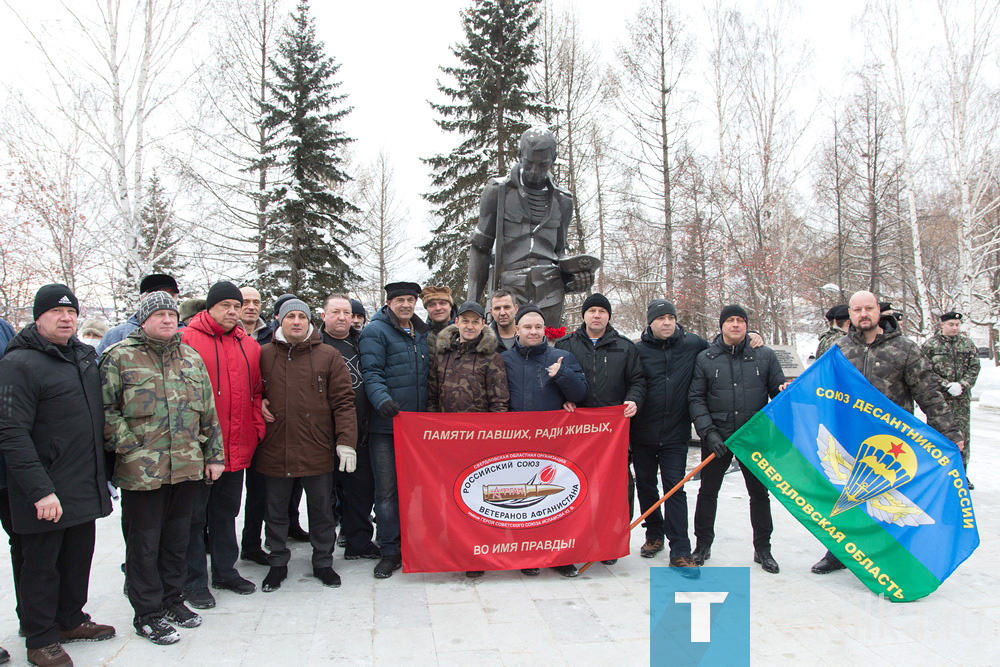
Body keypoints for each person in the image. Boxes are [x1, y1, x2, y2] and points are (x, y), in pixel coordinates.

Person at [0, 285, 115, 667]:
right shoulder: (20, 364)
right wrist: (40, 490)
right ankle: (40, 638)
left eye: (71, 312)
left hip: (81, 480)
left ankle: (69, 620)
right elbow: (11, 433)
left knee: (77, 557)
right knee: (41, 565)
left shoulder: (82, 357)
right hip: (45, 488)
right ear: (38, 316)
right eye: (56, 312)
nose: (66, 318)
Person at [100, 292, 225, 644]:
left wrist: (214, 456)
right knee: (144, 544)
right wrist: (131, 448)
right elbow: (106, 411)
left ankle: (173, 600)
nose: (168, 320)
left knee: (177, 539)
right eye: (160, 315)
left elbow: (208, 411)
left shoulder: (190, 357)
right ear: (143, 320)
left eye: (172, 314)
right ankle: (147, 612)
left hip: (186, 466)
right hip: (142, 472)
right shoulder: (119, 357)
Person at [811, 292, 963, 574]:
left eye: (869, 308)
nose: (863, 314)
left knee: (890, 501)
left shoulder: (905, 348)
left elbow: (928, 394)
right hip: (851, 438)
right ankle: (839, 552)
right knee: (845, 496)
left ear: (879, 311)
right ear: (851, 314)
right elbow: (821, 389)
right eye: (857, 310)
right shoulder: (840, 349)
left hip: (892, 444)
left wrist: (951, 432)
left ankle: (892, 555)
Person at [257, 299, 358, 592]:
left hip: (317, 445)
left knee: (322, 510)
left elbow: (343, 401)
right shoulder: (264, 355)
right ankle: (277, 563)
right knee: (275, 510)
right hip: (276, 445)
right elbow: (250, 392)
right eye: (291, 317)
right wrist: (258, 402)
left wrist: (345, 442)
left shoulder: (327, 355)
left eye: (302, 316)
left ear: (310, 321)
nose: (297, 322)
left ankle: (323, 562)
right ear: (280, 321)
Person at [181, 281, 265, 607]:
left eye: (236, 305)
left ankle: (225, 571)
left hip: (237, 443)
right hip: (201, 448)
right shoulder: (187, 340)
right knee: (194, 517)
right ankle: (193, 581)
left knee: (226, 512)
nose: (233, 311)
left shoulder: (249, 345)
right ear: (210, 307)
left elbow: (257, 392)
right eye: (225, 305)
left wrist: (256, 428)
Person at [689, 305, 786, 574]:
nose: (735, 325)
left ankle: (763, 548)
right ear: (721, 326)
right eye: (730, 320)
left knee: (759, 494)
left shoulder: (763, 356)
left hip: (752, 438)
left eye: (740, 321)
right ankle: (703, 545)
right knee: (708, 492)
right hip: (717, 437)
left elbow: (777, 392)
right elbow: (696, 398)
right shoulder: (706, 358)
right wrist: (708, 432)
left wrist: (783, 390)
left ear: (747, 325)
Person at [467, 127, 593, 326]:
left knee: (548, 352)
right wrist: (472, 307)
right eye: (529, 163)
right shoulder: (497, 191)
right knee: (505, 353)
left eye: (543, 165)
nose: (535, 171)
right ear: (519, 156)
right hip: (508, 292)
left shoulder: (564, 200)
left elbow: (559, 252)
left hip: (550, 292)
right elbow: (480, 247)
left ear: (554, 159)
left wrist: (574, 279)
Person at [554, 293, 644, 566]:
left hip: (612, 433)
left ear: (608, 316)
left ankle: (610, 541)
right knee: (573, 486)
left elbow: (638, 380)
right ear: (583, 315)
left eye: (601, 311)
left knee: (617, 486)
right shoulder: (565, 345)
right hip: (575, 433)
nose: (596, 315)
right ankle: (572, 543)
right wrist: (564, 400)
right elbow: (554, 381)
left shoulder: (625, 347)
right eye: (591, 310)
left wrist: (634, 400)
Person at [502, 305, 588, 577]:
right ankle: (526, 554)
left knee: (555, 500)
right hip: (515, 443)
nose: (533, 331)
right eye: (527, 327)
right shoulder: (503, 360)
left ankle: (561, 557)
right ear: (517, 329)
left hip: (554, 444)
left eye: (538, 327)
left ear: (545, 329)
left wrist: (561, 375)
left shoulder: (562, 357)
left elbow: (581, 393)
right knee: (523, 500)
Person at [429, 301, 509, 578]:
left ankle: (479, 554)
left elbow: (500, 403)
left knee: (477, 501)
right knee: (449, 499)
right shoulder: (442, 354)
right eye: (465, 321)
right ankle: (452, 549)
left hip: (479, 444)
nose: (470, 326)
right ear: (457, 323)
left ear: (482, 324)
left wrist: (492, 438)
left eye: (475, 321)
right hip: (446, 442)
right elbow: (431, 396)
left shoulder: (491, 357)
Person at [631, 300, 707, 577]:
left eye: (671, 317)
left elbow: (720, 352)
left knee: (675, 488)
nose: (667, 322)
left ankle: (681, 549)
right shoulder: (638, 351)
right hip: (642, 433)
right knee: (647, 487)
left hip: (676, 433)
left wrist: (752, 337)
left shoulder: (693, 345)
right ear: (650, 322)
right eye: (661, 318)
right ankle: (654, 533)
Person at [359, 281, 430, 579]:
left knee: (417, 490)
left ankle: (415, 543)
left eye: (410, 299)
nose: (405, 305)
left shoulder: (421, 332)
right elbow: (371, 371)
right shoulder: (375, 331)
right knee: (387, 492)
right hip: (386, 425)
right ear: (388, 303)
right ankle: (389, 550)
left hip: (417, 427)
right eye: (400, 299)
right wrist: (382, 400)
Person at [320, 294, 379, 561]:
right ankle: (323, 550)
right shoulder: (315, 343)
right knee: (324, 496)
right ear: (324, 316)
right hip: (323, 434)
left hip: (361, 430)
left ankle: (359, 542)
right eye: (336, 312)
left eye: (347, 312)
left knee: (361, 491)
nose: (343, 317)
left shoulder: (362, 341)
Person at [921, 312, 980, 487]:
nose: (955, 327)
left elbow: (974, 366)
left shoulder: (967, 344)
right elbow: (925, 370)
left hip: (961, 400)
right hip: (939, 400)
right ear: (942, 325)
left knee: (962, 436)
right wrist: (945, 384)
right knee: (937, 435)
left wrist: (963, 384)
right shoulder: (931, 345)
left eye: (957, 324)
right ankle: (937, 473)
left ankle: (962, 473)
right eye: (951, 324)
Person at [97, 273, 180, 354]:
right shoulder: (118, 334)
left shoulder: (184, 333)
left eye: (170, 295)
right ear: (142, 298)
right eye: (156, 294)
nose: (164, 299)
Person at [420, 285, 454, 355]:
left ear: (450, 306)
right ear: (427, 309)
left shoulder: (465, 332)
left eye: (442, 303)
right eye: (432, 305)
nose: (438, 308)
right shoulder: (420, 336)